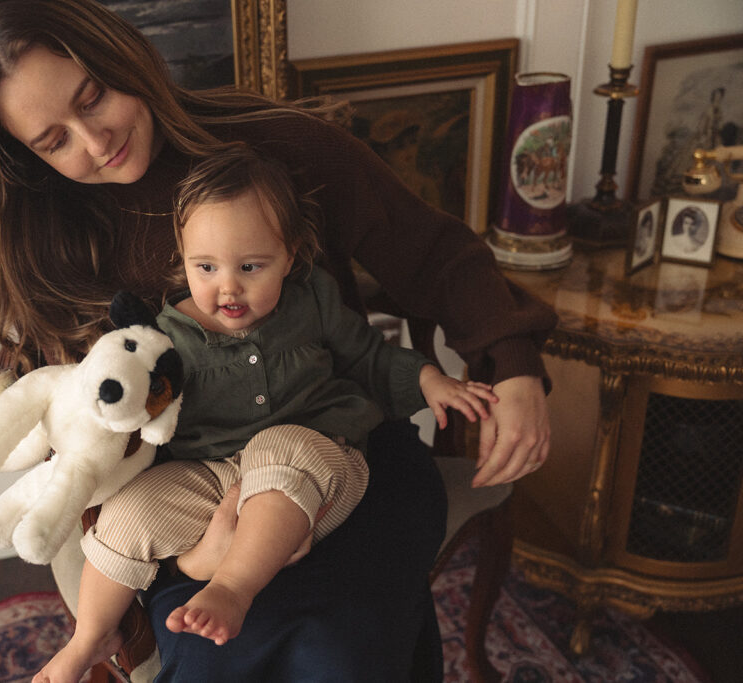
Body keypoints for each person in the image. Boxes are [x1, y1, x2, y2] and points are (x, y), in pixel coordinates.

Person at [0, 1, 557, 679]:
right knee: (214, 655)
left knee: (341, 653)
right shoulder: (40, 233)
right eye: (53, 141)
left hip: (346, 453)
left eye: (93, 98)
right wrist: (195, 561)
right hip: (190, 494)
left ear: (124, 55)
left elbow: (432, 253)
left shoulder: (280, 146)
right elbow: (77, 428)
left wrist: (512, 362)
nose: (95, 142)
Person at [36, 146, 501, 682]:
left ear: (290, 255)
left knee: (279, 448)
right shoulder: (165, 337)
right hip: (211, 477)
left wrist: (428, 380)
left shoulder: (313, 302)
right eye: (206, 267)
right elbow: (134, 415)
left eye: (251, 267)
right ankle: (92, 636)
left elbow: (368, 357)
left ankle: (232, 588)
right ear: (182, 258)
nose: (228, 287)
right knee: (130, 512)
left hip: (316, 461)